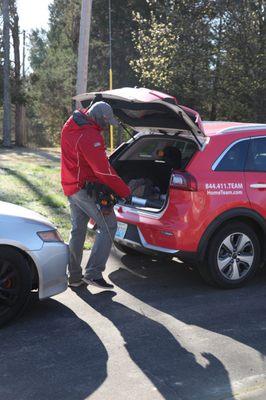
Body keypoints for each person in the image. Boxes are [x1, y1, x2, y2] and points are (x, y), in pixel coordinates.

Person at [61, 101, 131, 289]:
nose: (105, 127)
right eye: (105, 123)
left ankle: (74, 277)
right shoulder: (89, 135)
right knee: (109, 225)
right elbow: (103, 171)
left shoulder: (72, 123)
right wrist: (125, 191)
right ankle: (93, 273)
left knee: (78, 229)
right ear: (99, 119)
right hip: (84, 188)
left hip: (70, 184)